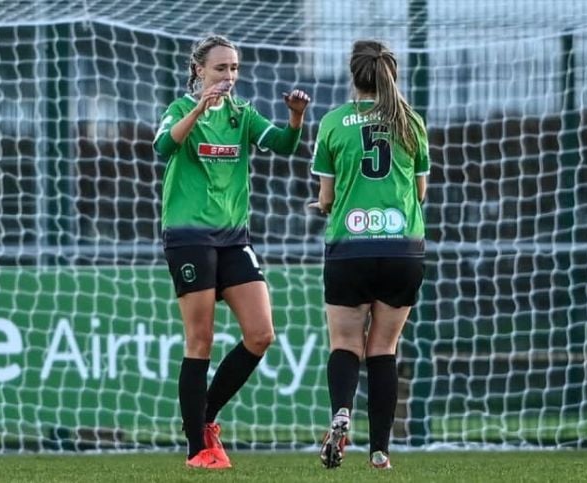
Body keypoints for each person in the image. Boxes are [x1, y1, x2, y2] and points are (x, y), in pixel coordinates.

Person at [152, 34, 310, 469]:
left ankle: (205, 419)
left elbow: (282, 144)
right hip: (189, 237)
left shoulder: (242, 116)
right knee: (200, 340)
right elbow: (163, 146)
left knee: (261, 333)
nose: (229, 76)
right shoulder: (182, 110)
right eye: (221, 68)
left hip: (234, 238)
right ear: (199, 70)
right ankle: (196, 449)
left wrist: (294, 119)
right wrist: (200, 108)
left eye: (234, 69)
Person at [309, 39, 430, 470]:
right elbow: (418, 192)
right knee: (384, 348)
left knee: (345, 342)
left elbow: (326, 197)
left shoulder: (333, 123)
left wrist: (327, 205)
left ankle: (341, 412)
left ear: (353, 75)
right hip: (403, 248)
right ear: (389, 74)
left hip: (349, 248)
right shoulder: (410, 121)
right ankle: (380, 450)